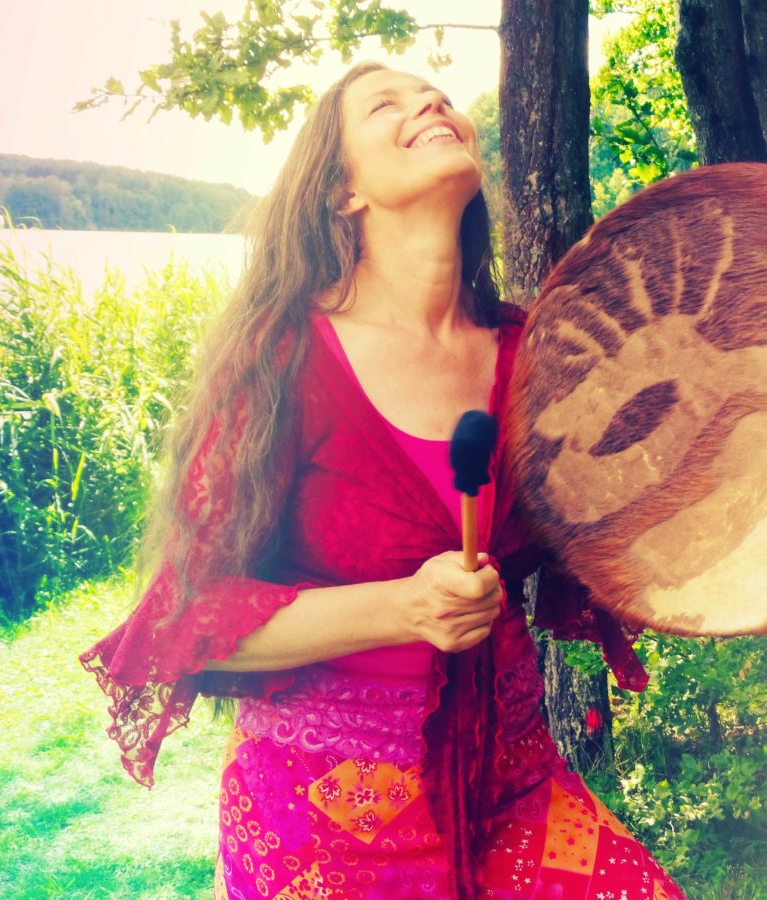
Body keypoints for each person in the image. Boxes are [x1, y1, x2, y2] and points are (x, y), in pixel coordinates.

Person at [81, 62, 686, 900]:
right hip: (325, 811)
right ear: (342, 192)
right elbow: (191, 614)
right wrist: (405, 607)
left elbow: (603, 530)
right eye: (385, 105)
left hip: (514, 784)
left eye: (438, 96)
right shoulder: (281, 356)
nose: (431, 102)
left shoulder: (532, 353)